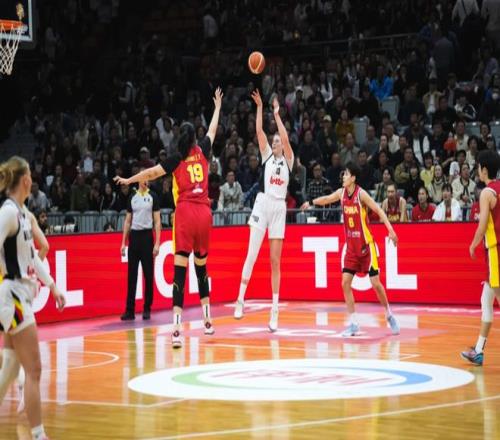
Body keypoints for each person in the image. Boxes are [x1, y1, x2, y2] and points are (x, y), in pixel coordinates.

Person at [114, 88, 223, 348]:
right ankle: (208, 322)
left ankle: (176, 329)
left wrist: (129, 179)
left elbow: (150, 173)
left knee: (179, 272)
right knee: (202, 268)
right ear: (194, 137)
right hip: (204, 213)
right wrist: (217, 107)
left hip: (185, 213)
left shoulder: (176, 158)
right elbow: (212, 131)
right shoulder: (203, 150)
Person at [0, 156, 66, 440]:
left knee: (10, 369)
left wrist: (52, 285)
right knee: (34, 369)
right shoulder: (8, 213)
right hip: (12, 297)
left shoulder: (22, 213)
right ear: (25, 180)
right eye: (31, 175)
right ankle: (39, 435)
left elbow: (32, 258)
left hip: (18, 295)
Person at [300, 162, 400, 337]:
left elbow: (378, 210)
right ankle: (354, 323)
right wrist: (310, 202)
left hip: (366, 246)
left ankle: (389, 314)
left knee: (376, 284)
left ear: (353, 178)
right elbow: (327, 199)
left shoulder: (361, 194)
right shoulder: (341, 193)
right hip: (352, 249)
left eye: (346, 174)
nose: (343, 177)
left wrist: (390, 230)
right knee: (345, 283)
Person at [233, 90, 294, 332]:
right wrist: (260, 107)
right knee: (252, 254)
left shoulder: (288, 159)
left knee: (274, 261)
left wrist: (277, 114)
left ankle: (275, 310)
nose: (276, 142)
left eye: (277, 140)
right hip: (263, 203)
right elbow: (259, 132)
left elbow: (287, 139)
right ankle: (240, 300)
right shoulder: (267, 156)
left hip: (279, 207)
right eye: (274, 140)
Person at [462, 150, 500, 365]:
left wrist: (474, 243)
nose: (477, 170)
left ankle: (478, 351)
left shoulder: (487, 192)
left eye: (478, 167)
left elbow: (483, 223)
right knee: (486, 300)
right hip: (495, 253)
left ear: (484, 170)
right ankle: (478, 350)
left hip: (495, 251)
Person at [119, 177, 161, 321]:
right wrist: (123, 242)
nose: (145, 181)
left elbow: (157, 221)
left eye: (147, 179)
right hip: (134, 237)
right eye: (143, 179)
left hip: (147, 237)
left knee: (148, 275)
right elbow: (127, 221)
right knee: (132, 275)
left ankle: (147, 308)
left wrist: (157, 243)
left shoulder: (153, 196)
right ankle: (129, 310)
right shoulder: (132, 197)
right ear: (138, 181)